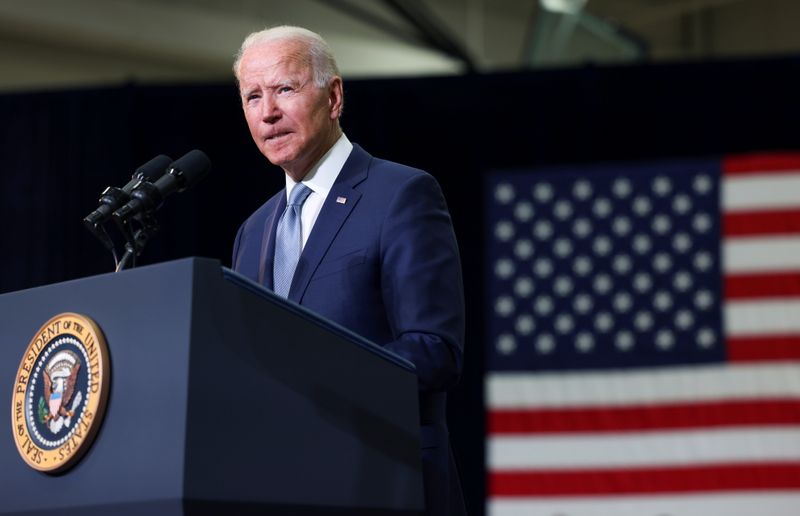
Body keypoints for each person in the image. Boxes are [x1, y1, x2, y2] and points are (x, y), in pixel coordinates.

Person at [231, 26, 466, 515]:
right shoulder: (253, 230)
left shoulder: (400, 194)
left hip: (383, 480)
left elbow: (434, 349)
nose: (268, 111)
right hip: (278, 487)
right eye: (253, 96)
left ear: (334, 96)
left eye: (285, 89)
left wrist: (311, 378)